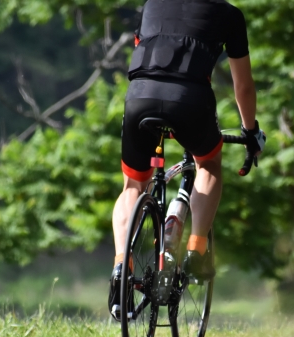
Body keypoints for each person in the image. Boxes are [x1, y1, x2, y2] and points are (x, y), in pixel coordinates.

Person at [108, 0, 266, 320]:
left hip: (140, 94)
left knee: (133, 186)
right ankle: (196, 249)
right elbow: (244, 86)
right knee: (208, 165)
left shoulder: (153, 3)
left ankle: (121, 265)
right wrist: (251, 131)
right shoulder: (229, 14)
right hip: (190, 100)